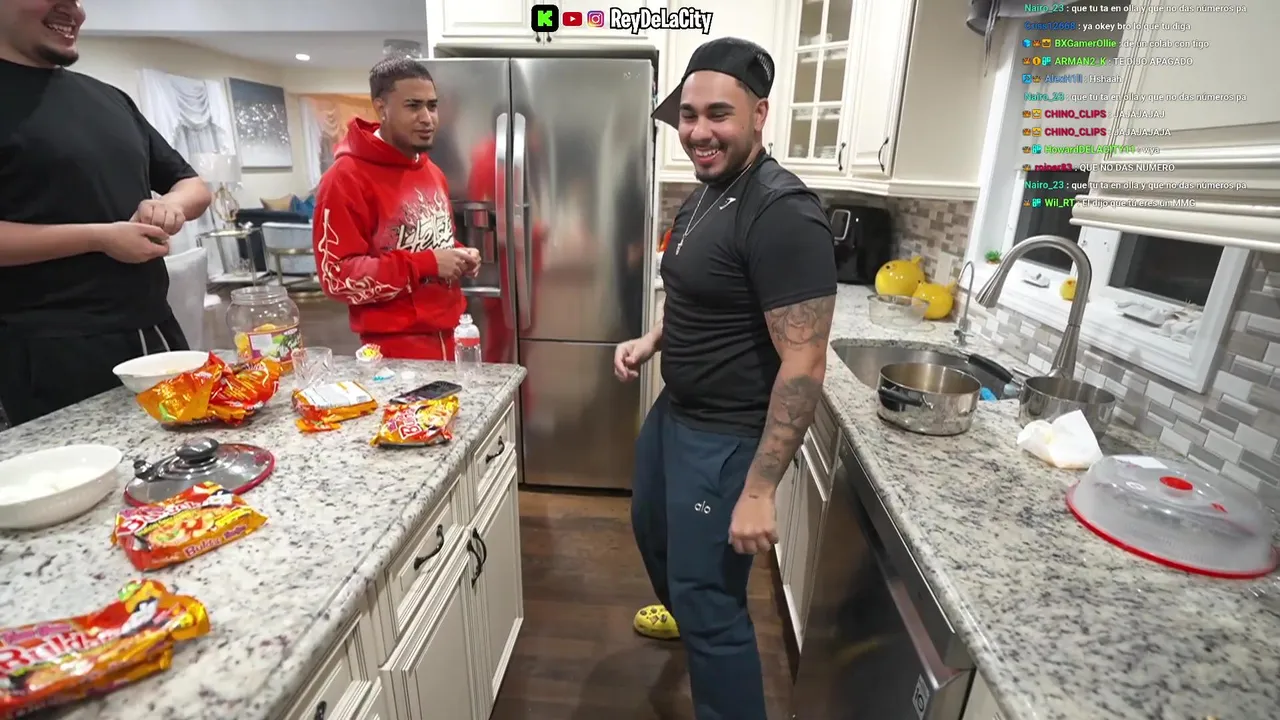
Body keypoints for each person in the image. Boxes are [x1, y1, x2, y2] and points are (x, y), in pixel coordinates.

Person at [612, 38, 837, 720]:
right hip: (675, 414)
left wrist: (759, 489)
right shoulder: (705, 194)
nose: (698, 132)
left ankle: (704, 628)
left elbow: (805, 362)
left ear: (759, 114)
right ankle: (688, 608)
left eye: (719, 114)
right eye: (688, 115)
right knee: (652, 531)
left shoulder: (782, 213)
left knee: (712, 602)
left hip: (727, 439)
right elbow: (695, 290)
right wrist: (653, 339)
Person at [0, 0, 213, 427]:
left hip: (157, 329)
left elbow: (193, 185)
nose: (74, 11)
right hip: (50, 350)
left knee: (188, 456)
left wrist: (169, 206)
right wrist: (100, 237)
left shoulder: (109, 98)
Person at [312, 57, 480, 361]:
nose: (427, 118)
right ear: (381, 108)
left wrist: (457, 254)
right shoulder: (344, 178)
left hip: (453, 334)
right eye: (413, 106)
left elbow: (423, 242)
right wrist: (426, 264)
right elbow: (337, 278)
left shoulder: (432, 172)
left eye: (432, 106)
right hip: (395, 351)